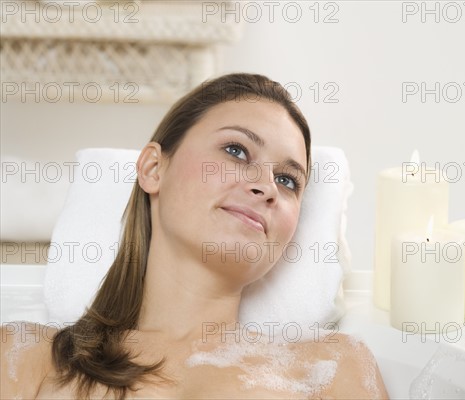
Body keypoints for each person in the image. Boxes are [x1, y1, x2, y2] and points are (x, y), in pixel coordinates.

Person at [1, 73, 389, 399]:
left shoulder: (331, 369)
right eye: (236, 151)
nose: (267, 186)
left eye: (287, 180)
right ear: (153, 168)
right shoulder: (28, 358)